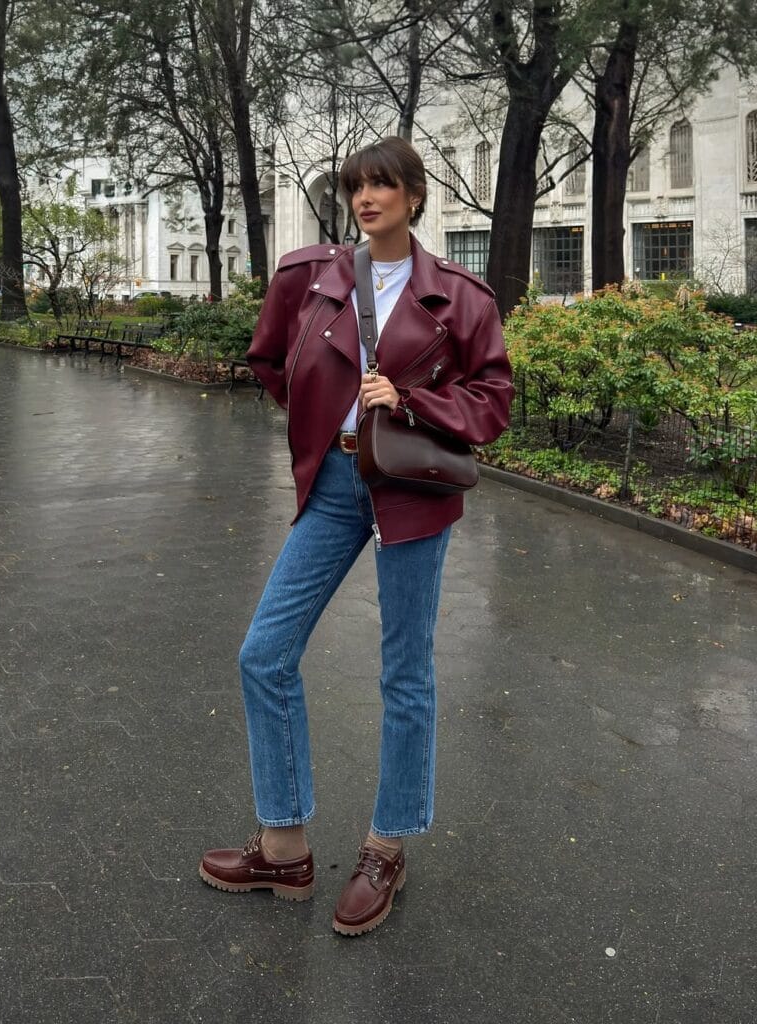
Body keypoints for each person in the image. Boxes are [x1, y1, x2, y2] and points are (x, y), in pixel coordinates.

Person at [199, 136, 513, 936]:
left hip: (410, 488)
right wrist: (318, 422)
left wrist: (412, 402)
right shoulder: (310, 277)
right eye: (356, 187)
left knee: (404, 671)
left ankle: (386, 847)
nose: (365, 197)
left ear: (413, 197)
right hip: (337, 487)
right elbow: (271, 360)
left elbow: (493, 404)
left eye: (382, 185)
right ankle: (284, 844)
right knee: (263, 653)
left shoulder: (461, 297)